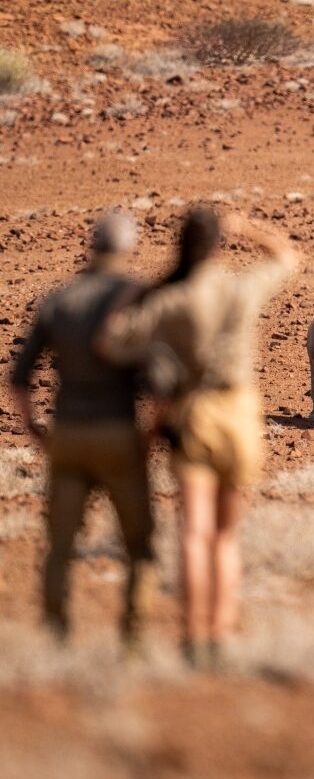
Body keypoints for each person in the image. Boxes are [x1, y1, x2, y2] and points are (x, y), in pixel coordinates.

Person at [98, 208, 298, 670]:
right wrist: (247, 229)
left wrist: (139, 290)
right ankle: (220, 636)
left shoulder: (172, 300)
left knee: (194, 532)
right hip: (242, 415)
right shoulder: (239, 287)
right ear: (217, 246)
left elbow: (109, 342)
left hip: (194, 416)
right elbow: (288, 257)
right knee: (226, 538)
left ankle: (192, 636)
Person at [11, 212, 154, 648]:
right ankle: (132, 640)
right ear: (128, 248)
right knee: (138, 544)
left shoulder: (58, 299)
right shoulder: (136, 298)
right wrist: (149, 434)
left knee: (59, 544)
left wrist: (35, 429)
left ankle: (57, 635)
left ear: (91, 247)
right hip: (118, 435)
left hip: (67, 435)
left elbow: (18, 378)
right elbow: (162, 382)